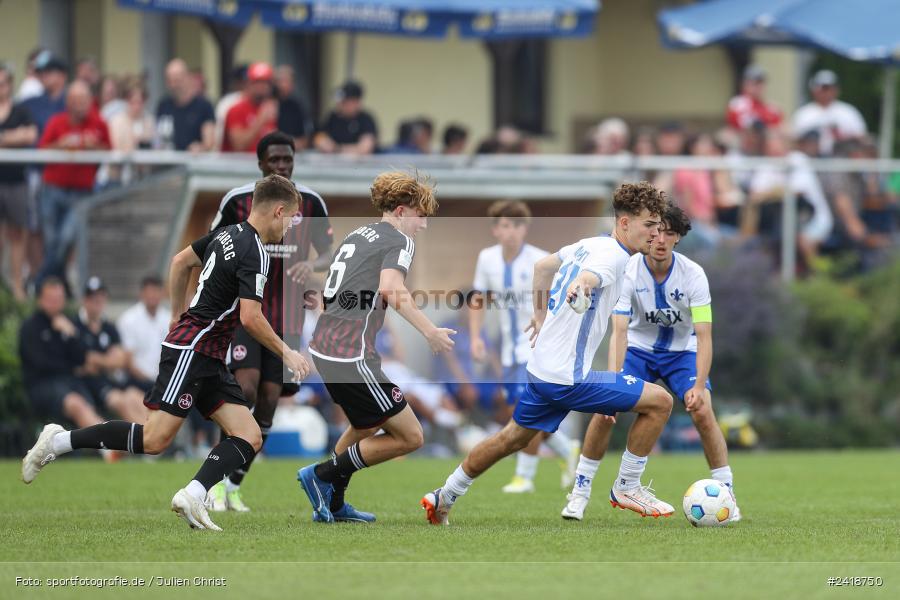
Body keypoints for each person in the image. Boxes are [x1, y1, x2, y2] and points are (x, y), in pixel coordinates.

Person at [22, 174, 310, 533]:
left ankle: (193, 493)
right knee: (155, 439)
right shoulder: (256, 252)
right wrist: (288, 353)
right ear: (278, 211)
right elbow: (251, 317)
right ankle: (59, 441)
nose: (292, 228)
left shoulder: (226, 234)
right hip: (194, 350)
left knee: (249, 434)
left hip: (207, 353)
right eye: (292, 219)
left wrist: (177, 314)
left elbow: (179, 262)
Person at [421, 181, 674, 526]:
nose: (655, 235)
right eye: (649, 226)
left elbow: (542, 267)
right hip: (570, 378)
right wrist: (580, 286)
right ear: (625, 222)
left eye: (659, 227)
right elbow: (586, 279)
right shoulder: (612, 257)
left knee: (512, 437)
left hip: (542, 370)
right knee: (660, 401)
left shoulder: (589, 244)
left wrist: (539, 314)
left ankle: (444, 495)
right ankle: (627, 486)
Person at [561, 204, 742, 522]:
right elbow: (618, 330)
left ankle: (727, 493)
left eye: (669, 233)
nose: (660, 239)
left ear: (678, 238)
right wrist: (614, 381)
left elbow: (705, 335)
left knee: (702, 409)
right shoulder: (627, 270)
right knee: (604, 412)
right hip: (638, 350)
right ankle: (580, 491)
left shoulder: (694, 275)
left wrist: (699, 386)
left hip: (681, 354)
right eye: (656, 231)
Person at [296, 170, 454, 524]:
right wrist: (429, 331)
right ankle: (320, 476)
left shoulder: (359, 233)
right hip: (350, 353)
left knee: (364, 427)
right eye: (421, 216)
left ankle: (333, 504)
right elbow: (391, 289)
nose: (423, 226)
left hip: (326, 345)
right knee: (412, 436)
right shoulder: (399, 240)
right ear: (401, 211)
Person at [206, 131, 333, 512]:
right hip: (247, 312)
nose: (281, 166)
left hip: (289, 319)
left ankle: (233, 485)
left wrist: (311, 266)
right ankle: (211, 481)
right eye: (274, 160)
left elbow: (330, 254)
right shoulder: (238, 200)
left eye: (287, 159)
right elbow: (213, 246)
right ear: (260, 163)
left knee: (269, 401)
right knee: (243, 389)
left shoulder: (309, 202)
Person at [469, 200, 578, 493]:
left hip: (536, 345)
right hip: (508, 350)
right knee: (519, 410)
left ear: (525, 228)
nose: (511, 231)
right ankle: (567, 451)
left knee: (523, 410)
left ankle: (525, 477)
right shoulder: (487, 259)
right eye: (505, 225)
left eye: (517, 225)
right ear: (495, 229)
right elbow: (478, 299)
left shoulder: (541, 260)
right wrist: (476, 337)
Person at [36, 81, 110, 286]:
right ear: (68, 102)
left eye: (85, 99)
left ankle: (40, 282)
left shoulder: (99, 124)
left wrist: (94, 147)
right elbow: (41, 152)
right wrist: (59, 145)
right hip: (53, 188)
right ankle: (59, 285)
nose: (82, 104)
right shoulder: (56, 122)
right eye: (77, 100)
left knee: (66, 238)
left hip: (81, 191)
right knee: (51, 240)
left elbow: (110, 152)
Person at [19, 277, 106, 434]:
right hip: (42, 385)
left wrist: (71, 334)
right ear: (40, 300)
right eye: (50, 299)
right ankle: (110, 444)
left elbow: (81, 358)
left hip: (69, 381)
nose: (55, 303)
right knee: (75, 404)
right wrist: (70, 367)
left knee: (88, 404)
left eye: (59, 298)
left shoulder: (67, 324)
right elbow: (40, 363)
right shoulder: (31, 326)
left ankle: (110, 444)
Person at [74, 276, 149, 424]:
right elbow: (85, 363)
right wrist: (106, 360)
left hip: (114, 381)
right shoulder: (75, 326)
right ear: (85, 299)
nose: (98, 300)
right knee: (121, 401)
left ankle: (155, 441)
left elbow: (119, 360)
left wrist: (98, 360)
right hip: (91, 385)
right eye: (93, 297)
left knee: (139, 397)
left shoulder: (108, 327)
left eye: (101, 296)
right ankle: (148, 444)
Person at [0, 63, 37, 301]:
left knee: (17, 234)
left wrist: (3, 137)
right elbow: (21, 135)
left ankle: (16, 284)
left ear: (10, 85)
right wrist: (14, 137)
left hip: (15, 181)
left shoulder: (21, 109)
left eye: (3, 83)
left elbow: (30, 134)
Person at [792, 70, 867, 156]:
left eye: (829, 88)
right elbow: (794, 140)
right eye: (823, 88)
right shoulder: (803, 113)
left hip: (842, 161)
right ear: (814, 90)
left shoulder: (848, 112)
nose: (826, 92)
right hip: (810, 162)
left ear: (836, 90)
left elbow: (862, 138)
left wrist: (842, 138)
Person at [117, 274, 170, 385]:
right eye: (149, 291)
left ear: (162, 293)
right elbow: (128, 361)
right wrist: (150, 382)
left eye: (156, 291)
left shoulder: (169, 319)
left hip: (164, 381)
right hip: (136, 381)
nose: (152, 295)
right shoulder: (128, 319)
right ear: (141, 293)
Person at [155, 59, 216, 152]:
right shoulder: (163, 105)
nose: (173, 85)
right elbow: (157, 136)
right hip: (167, 162)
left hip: (194, 164)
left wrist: (200, 147)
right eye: (169, 80)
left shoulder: (204, 106)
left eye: (177, 80)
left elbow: (209, 141)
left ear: (187, 77)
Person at [222, 62, 278, 153]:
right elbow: (239, 145)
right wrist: (261, 120)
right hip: (238, 166)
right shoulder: (236, 109)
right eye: (257, 82)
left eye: (265, 82)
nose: (262, 87)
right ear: (248, 84)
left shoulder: (270, 108)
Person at [314, 81, 378, 155]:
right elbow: (319, 138)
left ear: (357, 102)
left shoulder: (366, 119)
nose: (341, 105)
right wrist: (323, 142)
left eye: (346, 101)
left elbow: (365, 148)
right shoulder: (333, 117)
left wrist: (336, 148)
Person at [726, 65, 783, 131]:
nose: (758, 87)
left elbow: (781, 127)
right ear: (744, 84)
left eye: (760, 83)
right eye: (754, 83)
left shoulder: (772, 107)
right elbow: (746, 127)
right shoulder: (737, 103)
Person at [274, 65, 311, 150]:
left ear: (292, 84)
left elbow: (305, 138)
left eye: (286, 81)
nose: (282, 85)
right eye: (280, 81)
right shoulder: (267, 103)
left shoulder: (297, 106)